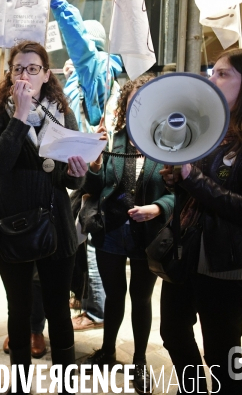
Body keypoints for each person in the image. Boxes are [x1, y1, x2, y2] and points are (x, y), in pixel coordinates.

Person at [0, 40, 87, 393]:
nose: (25, 74)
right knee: (20, 310)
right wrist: (20, 115)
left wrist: (77, 170)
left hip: (56, 226)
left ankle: (66, 384)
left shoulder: (61, 110)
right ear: (9, 76)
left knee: (58, 310)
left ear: (46, 74)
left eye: (33, 68)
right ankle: (21, 383)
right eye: (18, 69)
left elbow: (74, 179)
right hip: (14, 225)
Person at [159, 48, 242, 394]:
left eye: (222, 74)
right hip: (186, 255)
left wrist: (192, 178)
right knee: (172, 332)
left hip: (224, 263)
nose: (211, 80)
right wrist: (178, 179)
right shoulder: (210, 130)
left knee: (221, 351)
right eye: (211, 72)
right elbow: (198, 191)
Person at [82, 75, 174, 393]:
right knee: (114, 297)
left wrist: (158, 208)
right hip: (110, 229)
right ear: (126, 104)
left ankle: (138, 361)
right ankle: (107, 351)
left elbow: (180, 191)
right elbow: (93, 188)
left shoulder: (167, 141)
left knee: (141, 298)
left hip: (146, 234)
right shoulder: (112, 139)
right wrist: (94, 164)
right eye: (135, 99)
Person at [51, 0, 124, 333]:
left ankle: (96, 310)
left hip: (93, 168)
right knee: (79, 238)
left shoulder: (97, 68)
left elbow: (79, 43)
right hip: (82, 164)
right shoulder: (88, 76)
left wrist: (57, 4)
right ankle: (85, 300)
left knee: (89, 238)